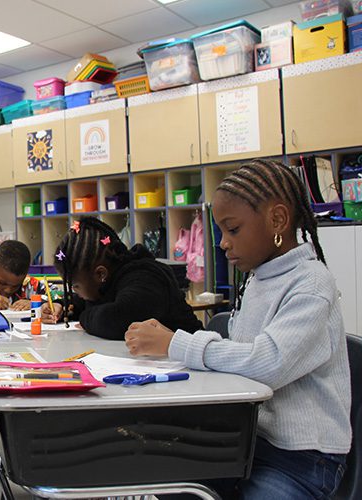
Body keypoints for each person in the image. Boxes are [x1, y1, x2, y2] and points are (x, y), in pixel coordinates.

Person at [125, 159, 350, 499]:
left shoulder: (311, 283)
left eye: (233, 230)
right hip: (246, 444)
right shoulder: (258, 278)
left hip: (303, 459)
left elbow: (267, 363)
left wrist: (176, 344)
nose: (223, 243)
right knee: (158, 475)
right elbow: (240, 357)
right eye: (221, 232)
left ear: (277, 220)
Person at [47, 217, 202, 339]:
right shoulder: (108, 279)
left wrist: (84, 318)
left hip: (192, 364)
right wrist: (61, 305)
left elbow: (120, 320)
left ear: (101, 274)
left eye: (75, 286)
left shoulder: (145, 277)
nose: (75, 292)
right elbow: (86, 300)